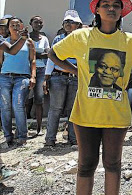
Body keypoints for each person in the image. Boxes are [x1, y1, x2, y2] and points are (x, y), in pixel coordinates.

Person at [48, 0, 132, 195]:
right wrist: (75, 71)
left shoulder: (129, 41)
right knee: (86, 165)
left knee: (113, 164)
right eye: (105, 4)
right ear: (97, 10)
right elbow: (53, 54)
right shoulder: (81, 37)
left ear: (121, 12)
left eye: (116, 5)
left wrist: (130, 77)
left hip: (115, 116)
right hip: (85, 113)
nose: (111, 8)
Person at [44, 10, 83, 147]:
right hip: (58, 77)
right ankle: (50, 139)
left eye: (71, 22)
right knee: (55, 109)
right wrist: (46, 77)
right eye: (66, 21)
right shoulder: (58, 39)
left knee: (73, 110)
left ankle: (73, 138)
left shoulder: (83, 40)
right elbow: (51, 58)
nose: (68, 24)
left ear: (78, 25)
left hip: (75, 78)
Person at [0, 17, 36, 147]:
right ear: (8, 28)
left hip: (22, 77)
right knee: (5, 107)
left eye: (17, 25)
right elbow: (3, 60)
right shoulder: (3, 43)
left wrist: (33, 76)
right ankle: (8, 136)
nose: (15, 27)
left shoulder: (29, 42)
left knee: (18, 105)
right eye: (12, 25)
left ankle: (22, 136)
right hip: (5, 77)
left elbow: (32, 60)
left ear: (22, 27)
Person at [26, 15, 50, 135]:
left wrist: (35, 54)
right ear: (31, 23)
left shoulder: (44, 38)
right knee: (25, 98)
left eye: (40, 23)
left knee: (39, 99)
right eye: (36, 22)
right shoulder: (26, 38)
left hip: (41, 70)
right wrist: (38, 54)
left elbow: (48, 54)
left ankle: (39, 128)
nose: (38, 25)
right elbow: (25, 55)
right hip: (27, 70)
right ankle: (23, 127)